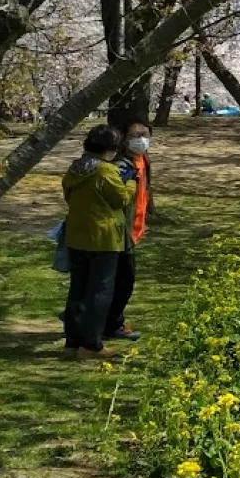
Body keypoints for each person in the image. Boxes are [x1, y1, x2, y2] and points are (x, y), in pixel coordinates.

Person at [61, 126, 134, 356]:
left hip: (77, 235)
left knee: (78, 288)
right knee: (100, 290)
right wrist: (132, 183)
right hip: (103, 238)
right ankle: (92, 343)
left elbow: (68, 195)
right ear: (109, 149)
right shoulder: (105, 171)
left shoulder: (76, 167)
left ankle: (73, 339)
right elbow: (120, 199)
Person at [105, 121, 154, 342]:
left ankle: (107, 320)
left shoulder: (143, 161)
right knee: (123, 280)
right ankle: (112, 324)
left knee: (120, 279)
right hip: (120, 233)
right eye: (135, 135)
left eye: (144, 134)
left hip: (133, 232)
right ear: (125, 139)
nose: (140, 139)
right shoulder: (122, 167)